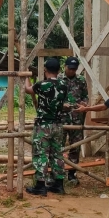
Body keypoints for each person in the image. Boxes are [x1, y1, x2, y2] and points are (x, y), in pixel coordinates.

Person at [24, 58, 68, 196]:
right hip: (58, 124)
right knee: (57, 154)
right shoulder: (64, 85)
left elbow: (28, 89)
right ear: (59, 70)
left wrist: (27, 76)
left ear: (45, 70)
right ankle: (58, 184)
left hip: (43, 125)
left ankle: (40, 185)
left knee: (41, 153)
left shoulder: (41, 85)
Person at [58, 57, 89, 185]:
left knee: (75, 146)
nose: (72, 71)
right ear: (65, 66)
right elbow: (52, 98)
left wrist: (84, 104)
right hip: (61, 118)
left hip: (76, 118)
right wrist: (61, 104)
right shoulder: (58, 79)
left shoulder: (81, 80)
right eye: (70, 68)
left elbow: (85, 96)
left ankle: (72, 173)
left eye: (74, 69)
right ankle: (57, 173)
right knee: (58, 145)